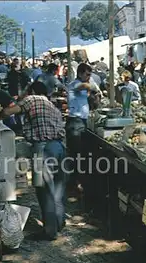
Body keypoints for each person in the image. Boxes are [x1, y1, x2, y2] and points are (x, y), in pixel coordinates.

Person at [0, 81, 66, 240]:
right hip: (59, 147)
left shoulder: (32, 99)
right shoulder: (51, 105)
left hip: (44, 149)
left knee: (45, 191)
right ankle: (59, 222)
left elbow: (9, 111)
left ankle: (50, 232)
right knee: (57, 189)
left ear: (32, 91)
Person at [67, 63, 98, 191]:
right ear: (79, 73)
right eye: (87, 74)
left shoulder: (84, 88)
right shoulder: (74, 84)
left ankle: (78, 180)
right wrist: (95, 86)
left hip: (82, 121)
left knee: (82, 153)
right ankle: (74, 183)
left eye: (90, 75)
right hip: (75, 122)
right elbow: (85, 86)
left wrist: (94, 96)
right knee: (76, 153)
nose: (88, 77)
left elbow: (91, 101)